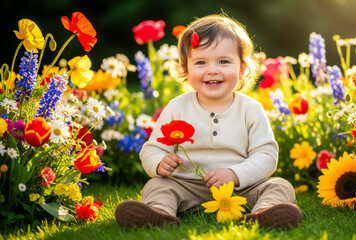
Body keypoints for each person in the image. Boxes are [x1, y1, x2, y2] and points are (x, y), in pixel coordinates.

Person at [115, 14, 303, 229]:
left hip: (239, 188)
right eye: (201, 62)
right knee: (157, 186)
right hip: (186, 186)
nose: (212, 70)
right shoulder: (177, 108)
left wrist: (235, 174)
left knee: (279, 185)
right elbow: (152, 148)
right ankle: (158, 213)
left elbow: (266, 155)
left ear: (242, 69)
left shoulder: (250, 109)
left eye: (224, 61)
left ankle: (264, 213)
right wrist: (159, 162)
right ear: (186, 69)